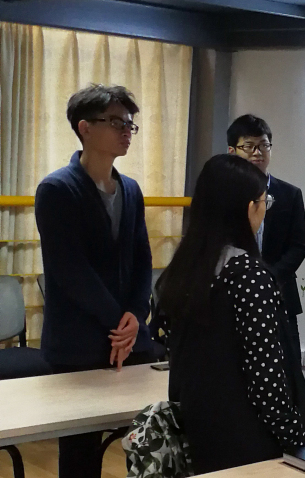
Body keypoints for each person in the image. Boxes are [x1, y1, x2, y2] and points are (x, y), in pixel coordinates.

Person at [160, 154, 305, 475]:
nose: (265, 209)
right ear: (248, 208)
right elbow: (266, 378)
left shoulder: (184, 267)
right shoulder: (249, 275)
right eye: (264, 201)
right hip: (247, 437)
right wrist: (297, 438)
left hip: (198, 426)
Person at [35, 84, 155, 478]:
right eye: (116, 122)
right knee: (80, 453)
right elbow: (70, 271)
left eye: (130, 124)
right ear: (85, 128)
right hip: (78, 341)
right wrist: (119, 323)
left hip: (129, 336)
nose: (126, 131)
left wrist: (135, 314)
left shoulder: (131, 189)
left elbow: (142, 259)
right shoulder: (57, 189)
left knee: (148, 439)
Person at [227, 114, 305, 360]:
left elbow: (299, 245)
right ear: (232, 151)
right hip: (234, 295)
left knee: (287, 365)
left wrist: (269, 278)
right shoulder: (223, 193)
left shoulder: (289, 194)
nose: (258, 152)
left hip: (280, 293)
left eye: (264, 145)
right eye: (249, 146)